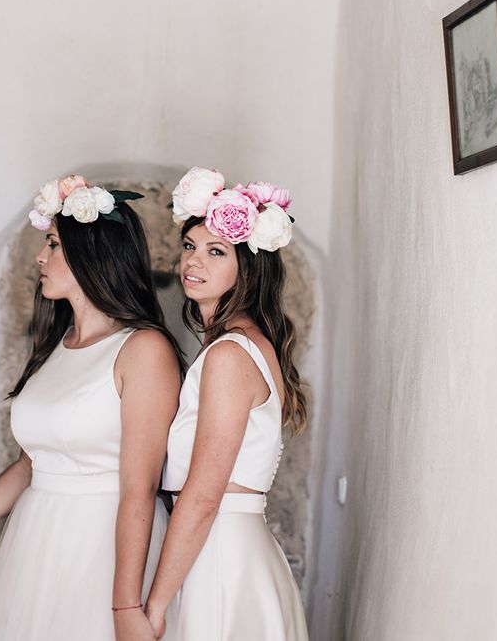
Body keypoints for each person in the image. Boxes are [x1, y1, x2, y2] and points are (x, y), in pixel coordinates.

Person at [0, 175, 183, 640]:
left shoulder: (144, 350)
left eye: (52, 244)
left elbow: (140, 488)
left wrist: (126, 604)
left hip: (103, 549)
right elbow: (31, 466)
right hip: (37, 542)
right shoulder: (58, 346)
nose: (40, 258)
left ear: (92, 254)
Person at [145, 168, 309, 640]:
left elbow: (201, 496)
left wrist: (155, 605)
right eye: (190, 247)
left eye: (216, 251)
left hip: (218, 556)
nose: (193, 262)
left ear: (249, 267)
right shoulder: (243, 345)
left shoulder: (230, 355)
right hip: (224, 548)